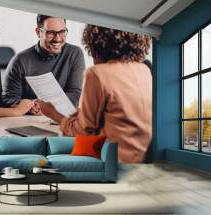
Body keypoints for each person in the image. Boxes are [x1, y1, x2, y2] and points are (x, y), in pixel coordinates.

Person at [38, 25, 152, 163]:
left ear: (95, 43)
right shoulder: (144, 70)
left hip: (112, 161)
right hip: (139, 160)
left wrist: (53, 113)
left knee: (43, 159)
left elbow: (82, 133)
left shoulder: (97, 73)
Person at [2, 14, 85, 115]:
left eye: (62, 32)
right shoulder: (20, 61)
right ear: (38, 32)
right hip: (29, 121)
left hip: (62, 118)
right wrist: (30, 107)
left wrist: (46, 106)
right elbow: (8, 99)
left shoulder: (74, 54)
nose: (58, 39)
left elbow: (76, 94)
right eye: (51, 33)